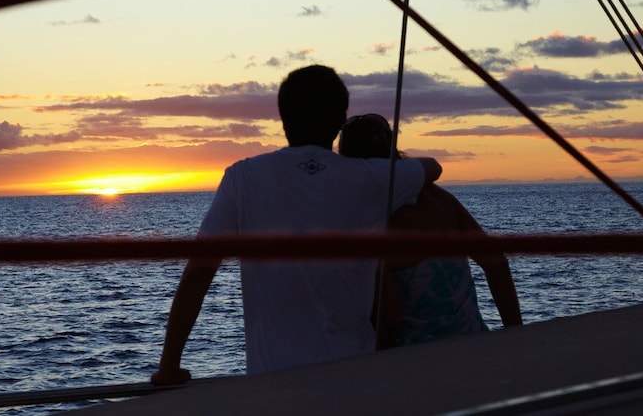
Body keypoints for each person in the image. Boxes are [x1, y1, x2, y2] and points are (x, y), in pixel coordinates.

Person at [151, 65, 442, 385]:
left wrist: (169, 367)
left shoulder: (242, 177)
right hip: (353, 381)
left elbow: (199, 271)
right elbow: (432, 167)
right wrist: (384, 167)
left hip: (273, 386)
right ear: (339, 120)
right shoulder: (369, 178)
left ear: (283, 117)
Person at [338, 113, 522, 349]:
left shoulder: (371, 218)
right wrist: (516, 336)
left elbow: (389, 318)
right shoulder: (440, 198)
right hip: (475, 345)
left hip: (412, 363)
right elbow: (496, 265)